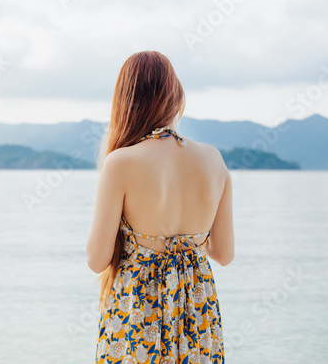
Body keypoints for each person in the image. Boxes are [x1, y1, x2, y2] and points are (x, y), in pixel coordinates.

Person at [86, 51, 235, 364]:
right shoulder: (213, 160)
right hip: (198, 315)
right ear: (175, 97)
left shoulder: (121, 163)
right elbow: (224, 253)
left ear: (126, 102)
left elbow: (97, 259)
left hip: (138, 316)